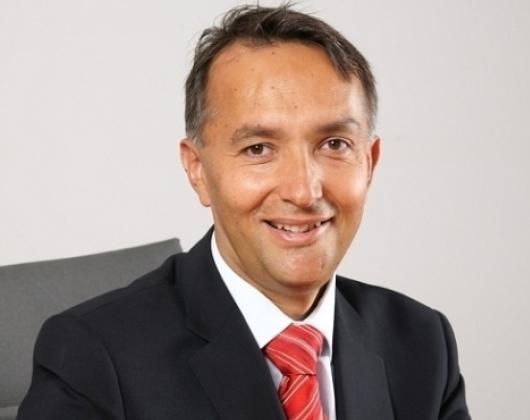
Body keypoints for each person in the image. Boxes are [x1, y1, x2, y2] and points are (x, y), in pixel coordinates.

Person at [17, 4, 470, 420]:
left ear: (369, 163)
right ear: (197, 170)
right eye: (258, 148)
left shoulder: (421, 342)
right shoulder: (94, 357)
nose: (303, 191)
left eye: (334, 144)